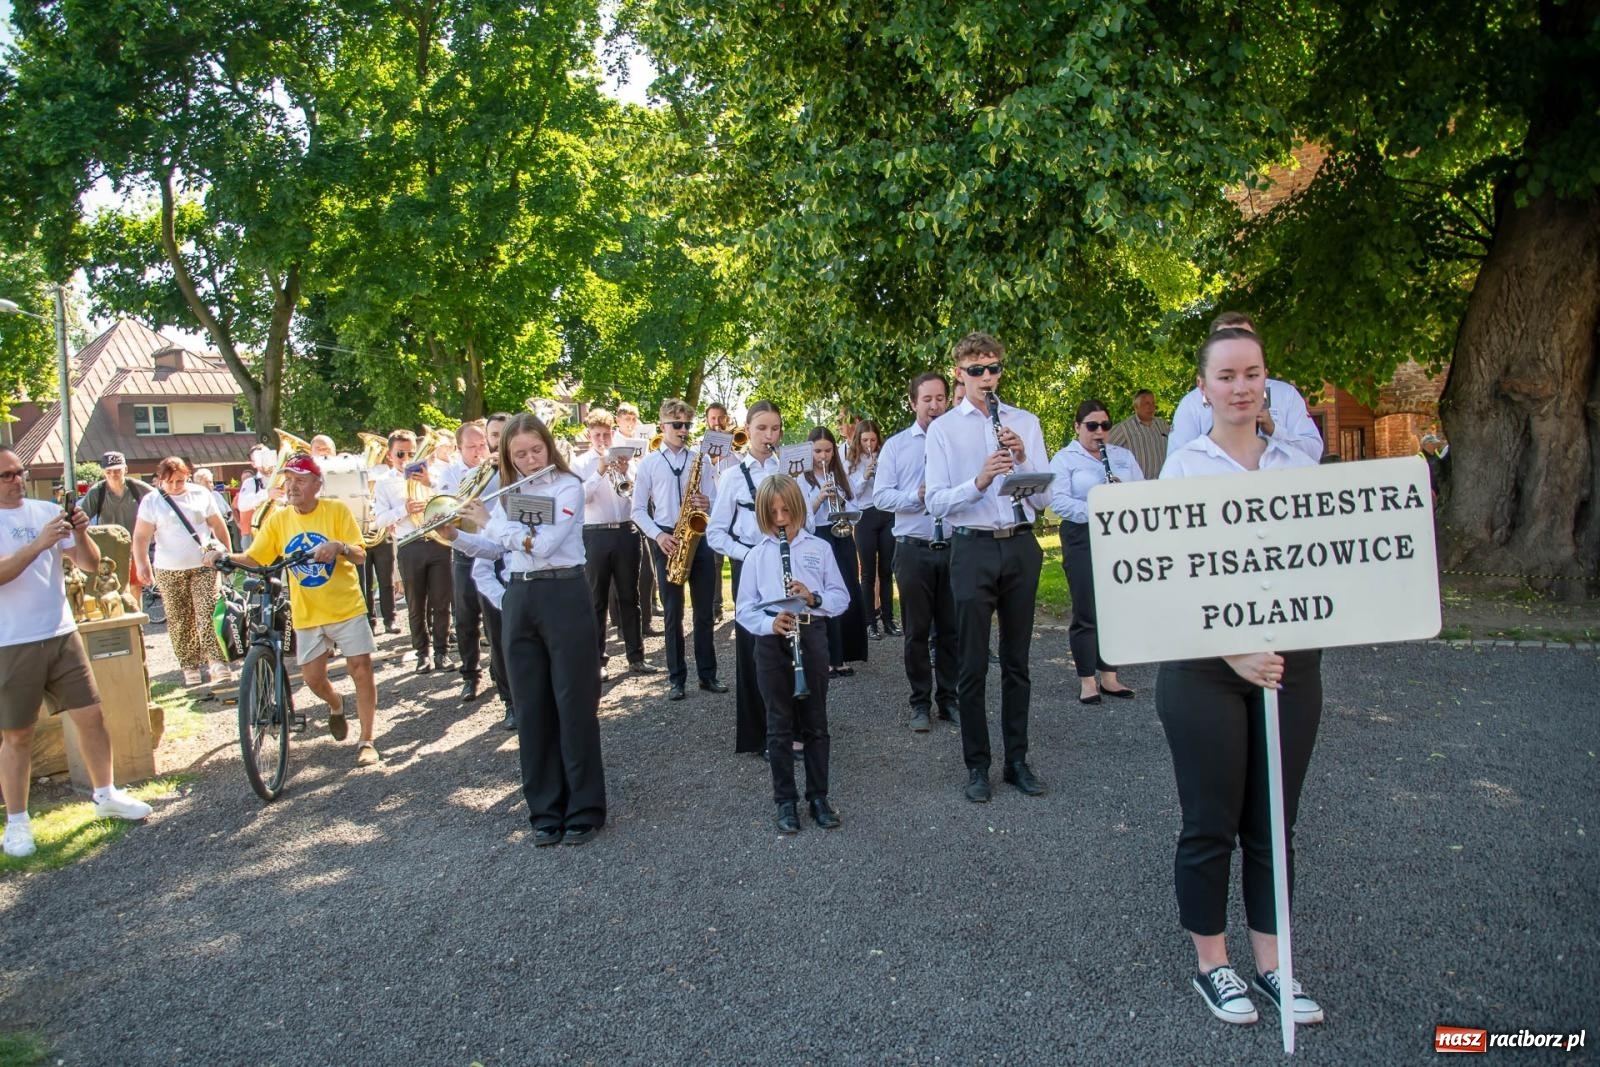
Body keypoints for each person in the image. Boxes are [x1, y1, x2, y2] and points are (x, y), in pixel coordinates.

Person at [1158, 326, 1327, 1028]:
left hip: (1290, 666)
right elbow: (1163, 581)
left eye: (1252, 373)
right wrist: (1232, 652)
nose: (1241, 387)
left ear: (1268, 381)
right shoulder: (1183, 471)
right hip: (1206, 672)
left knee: (1274, 824)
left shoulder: (1297, 463)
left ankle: (1273, 966)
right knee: (1210, 822)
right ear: (1203, 388)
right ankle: (1213, 964)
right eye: (1225, 376)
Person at [442, 414, 605, 845]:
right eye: (520, 455)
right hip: (521, 596)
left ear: (549, 447)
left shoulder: (567, 486)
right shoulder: (509, 494)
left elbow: (546, 543)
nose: (531, 460)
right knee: (532, 705)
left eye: (537, 450)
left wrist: (492, 521)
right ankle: (545, 809)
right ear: (507, 459)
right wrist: (455, 534)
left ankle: (584, 807)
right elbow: (496, 547)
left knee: (573, 702)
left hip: (564, 594)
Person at [0, 449, 154, 857]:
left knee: (92, 716)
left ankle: (105, 793)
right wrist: (39, 544)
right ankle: (17, 822)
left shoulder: (45, 510)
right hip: (11, 640)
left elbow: (90, 564)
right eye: (7, 476)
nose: (17, 480)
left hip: (61, 631)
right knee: (17, 734)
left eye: (21, 472)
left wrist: (81, 532)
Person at [924, 331, 1050, 803]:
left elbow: (1044, 497)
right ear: (960, 373)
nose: (986, 377)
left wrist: (1021, 458)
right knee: (972, 663)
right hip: (972, 548)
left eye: (993, 368)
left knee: (1017, 662)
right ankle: (978, 765)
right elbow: (936, 501)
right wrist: (978, 480)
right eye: (976, 370)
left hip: (1019, 544)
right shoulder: (943, 430)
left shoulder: (1026, 422)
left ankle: (1017, 760)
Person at [204, 453, 382, 765]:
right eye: (288, 480)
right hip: (307, 612)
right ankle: (336, 703)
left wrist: (338, 547)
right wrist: (225, 555)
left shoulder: (336, 511)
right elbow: (256, 558)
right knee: (313, 680)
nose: (292, 486)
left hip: (346, 606)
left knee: (361, 670)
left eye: (300, 480)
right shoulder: (279, 520)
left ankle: (367, 739)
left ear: (317, 484)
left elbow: (359, 555)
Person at [734, 474, 848, 833]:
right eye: (773, 513)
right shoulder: (756, 556)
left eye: (787, 511)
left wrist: (812, 598)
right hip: (772, 640)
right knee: (778, 725)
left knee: (816, 722)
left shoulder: (819, 549)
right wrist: (771, 624)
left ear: (799, 509)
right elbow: (744, 610)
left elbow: (841, 597)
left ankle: (818, 797)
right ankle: (785, 802)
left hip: (811, 635)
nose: (781, 519)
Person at [706, 401, 793, 753]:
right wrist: (750, 556)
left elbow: (808, 525)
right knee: (754, 650)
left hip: (784, 566)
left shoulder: (787, 472)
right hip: (749, 567)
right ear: (747, 429)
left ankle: (792, 730)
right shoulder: (730, 476)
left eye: (775, 429)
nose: (769, 436)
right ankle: (760, 735)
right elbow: (715, 534)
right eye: (761, 429)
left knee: (789, 646)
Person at [875, 372, 957, 732]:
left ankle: (949, 700)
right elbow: (880, 496)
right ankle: (920, 703)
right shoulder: (895, 446)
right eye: (927, 399)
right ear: (913, 403)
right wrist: (916, 496)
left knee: (952, 631)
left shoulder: (959, 441)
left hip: (955, 546)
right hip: (912, 549)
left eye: (940, 398)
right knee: (916, 632)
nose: (935, 405)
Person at [1048, 400, 1144, 704]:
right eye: (1092, 426)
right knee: (1087, 608)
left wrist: (1122, 496)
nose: (1099, 432)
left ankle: (1110, 676)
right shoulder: (1065, 459)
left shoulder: (1122, 456)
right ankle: (1087, 680)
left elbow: (1141, 493)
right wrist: (1100, 505)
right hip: (1081, 536)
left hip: (1118, 536)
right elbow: (1058, 502)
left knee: (1114, 609)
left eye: (1104, 425)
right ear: (1077, 427)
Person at [630, 399, 724, 701]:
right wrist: (658, 536)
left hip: (698, 535)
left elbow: (714, 498)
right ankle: (676, 678)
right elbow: (637, 510)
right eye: (677, 425)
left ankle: (707, 675)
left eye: (687, 425)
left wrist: (707, 502)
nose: (683, 430)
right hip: (667, 538)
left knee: (705, 612)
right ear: (663, 426)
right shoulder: (649, 464)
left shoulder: (702, 460)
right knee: (673, 613)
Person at [1166, 312, 1323, 465]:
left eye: (1245, 337)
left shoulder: (1286, 395)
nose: (1241, 389)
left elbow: (1314, 453)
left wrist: (1275, 430)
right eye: (1226, 338)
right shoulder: (1191, 403)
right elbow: (1179, 467)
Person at [131, 457, 234, 689]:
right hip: (169, 567)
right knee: (179, 618)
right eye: (170, 482)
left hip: (203, 565)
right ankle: (189, 664)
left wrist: (227, 554)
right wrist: (142, 563)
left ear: (188, 476)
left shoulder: (200, 494)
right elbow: (141, 536)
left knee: (208, 611)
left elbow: (218, 526)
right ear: (160, 480)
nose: (176, 486)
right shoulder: (152, 501)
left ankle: (217, 661)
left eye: (180, 481)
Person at [572, 409, 657, 681]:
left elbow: (637, 498)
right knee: (596, 600)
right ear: (589, 435)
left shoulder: (627, 461)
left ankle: (636, 657)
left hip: (626, 532)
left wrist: (625, 472)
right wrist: (599, 471)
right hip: (595, 534)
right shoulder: (581, 463)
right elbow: (579, 500)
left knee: (630, 596)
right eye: (597, 435)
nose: (602, 440)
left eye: (606, 434)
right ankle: (598, 660)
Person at [373, 431, 453, 673]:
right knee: (416, 603)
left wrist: (430, 483)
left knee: (441, 601)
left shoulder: (435, 475)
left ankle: (442, 651)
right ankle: (422, 653)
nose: (406, 458)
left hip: (437, 541)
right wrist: (403, 510)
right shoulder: (384, 482)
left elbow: (451, 502)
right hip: (410, 543)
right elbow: (379, 519)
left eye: (411, 453)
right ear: (390, 455)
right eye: (400, 454)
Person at [800, 427, 869, 677]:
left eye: (828, 450)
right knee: (822, 594)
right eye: (818, 451)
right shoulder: (801, 477)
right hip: (817, 536)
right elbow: (801, 517)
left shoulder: (840, 475)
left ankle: (843, 656)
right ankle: (826, 658)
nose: (823, 456)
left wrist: (842, 504)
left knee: (846, 590)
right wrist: (819, 498)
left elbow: (856, 505)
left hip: (841, 537)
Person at [438, 420, 492, 703]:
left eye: (481, 444)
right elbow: (446, 509)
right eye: (471, 446)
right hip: (463, 550)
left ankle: (500, 675)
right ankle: (470, 675)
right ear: (459, 448)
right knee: (465, 616)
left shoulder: (495, 469)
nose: (477, 450)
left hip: (492, 547)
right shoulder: (450, 473)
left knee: (495, 615)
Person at [847, 419, 897, 640]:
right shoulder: (851, 463)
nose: (869, 444)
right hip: (865, 516)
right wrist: (865, 476)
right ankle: (870, 622)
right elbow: (851, 495)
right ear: (858, 440)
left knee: (887, 571)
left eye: (873, 440)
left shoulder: (885, 458)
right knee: (867, 573)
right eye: (865, 440)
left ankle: (889, 620)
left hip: (886, 515)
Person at [82, 450, 154, 596]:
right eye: (109, 471)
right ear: (103, 472)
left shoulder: (138, 488)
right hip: (109, 548)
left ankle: (136, 619)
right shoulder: (97, 492)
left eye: (117, 470)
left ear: (125, 470)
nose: (113, 474)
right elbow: (82, 516)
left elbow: (161, 504)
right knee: (112, 588)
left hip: (135, 546)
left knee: (135, 588)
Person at [362, 434, 402, 635]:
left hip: (382, 533)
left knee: (386, 579)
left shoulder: (386, 475)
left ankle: (390, 619)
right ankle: (370, 621)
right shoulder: (357, 473)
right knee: (365, 581)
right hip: (362, 533)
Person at [1107, 389, 1170, 486]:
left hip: (1163, 484)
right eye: (1146, 403)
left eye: (1153, 403)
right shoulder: (1125, 428)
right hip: (1138, 486)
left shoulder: (1162, 425)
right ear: (1136, 406)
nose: (1151, 407)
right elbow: (1103, 447)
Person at [234, 445, 275, 550]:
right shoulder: (250, 482)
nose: (264, 461)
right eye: (259, 459)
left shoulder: (284, 478)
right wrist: (266, 494)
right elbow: (242, 505)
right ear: (253, 464)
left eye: (266, 456)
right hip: (255, 533)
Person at [193, 468, 237, 550]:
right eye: (208, 482)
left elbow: (228, 509)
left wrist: (226, 517)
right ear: (198, 483)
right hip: (209, 535)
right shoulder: (195, 498)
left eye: (212, 482)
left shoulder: (216, 494)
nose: (212, 484)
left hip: (225, 528)